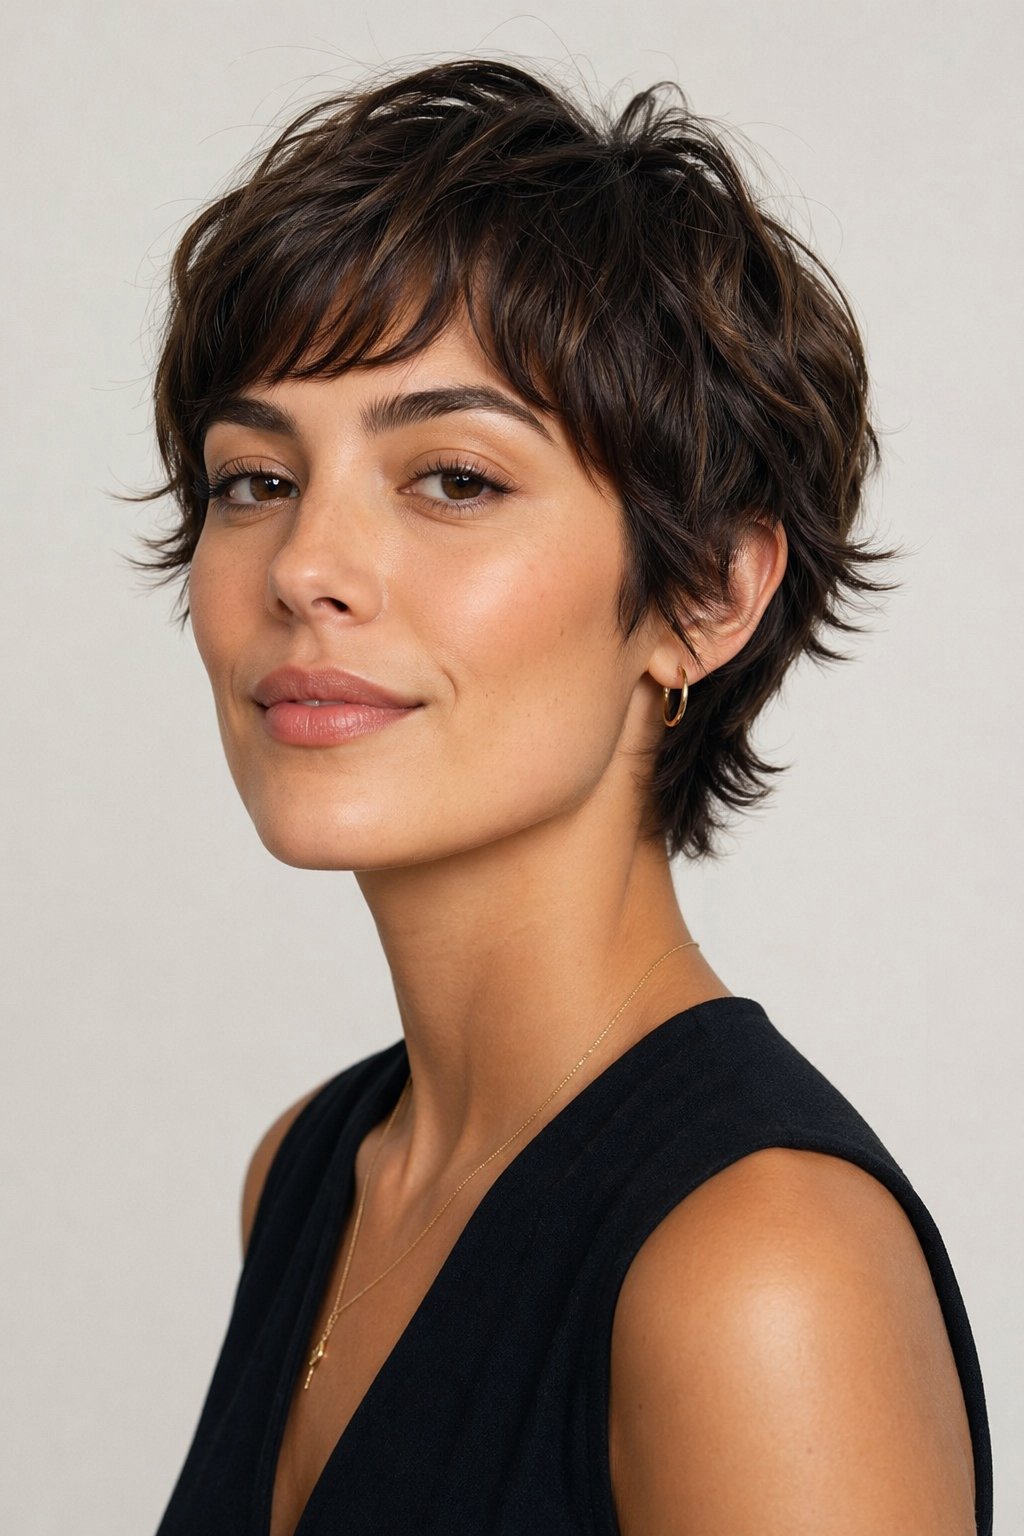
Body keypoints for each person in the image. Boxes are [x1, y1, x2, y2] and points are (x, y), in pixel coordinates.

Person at [132, 57, 992, 1536]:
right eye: (256, 479)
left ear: (707, 593)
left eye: (454, 478)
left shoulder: (760, 1271)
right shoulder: (311, 1174)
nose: (301, 567)